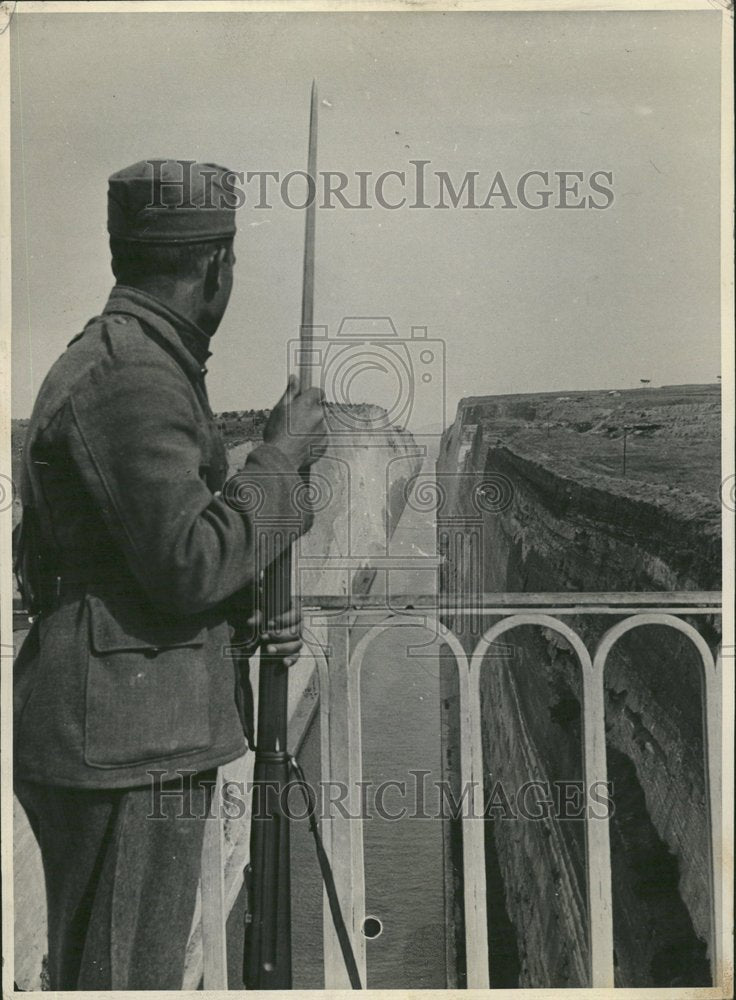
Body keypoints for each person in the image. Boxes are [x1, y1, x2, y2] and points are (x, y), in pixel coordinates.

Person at [13, 159, 327, 989]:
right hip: (126, 744)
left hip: (119, 727)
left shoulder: (125, 359)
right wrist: (281, 458)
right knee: (123, 981)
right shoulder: (137, 376)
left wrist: (249, 612)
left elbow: (133, 556)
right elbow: (186, 565)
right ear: (215, 267)